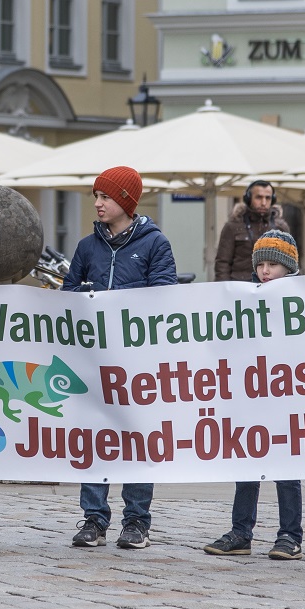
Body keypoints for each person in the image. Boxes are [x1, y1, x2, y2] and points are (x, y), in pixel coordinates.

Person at [62, 166, 177, 550]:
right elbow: (67, 295)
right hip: (94, 360)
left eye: (105, 197)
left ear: (125, 202)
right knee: (96, 436)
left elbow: (164, 298)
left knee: (137, 438)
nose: (97, 203)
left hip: (138, 363)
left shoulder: (155, 243)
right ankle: (94, 518)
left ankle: (136, 521)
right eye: (96, 196)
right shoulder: (86, 247)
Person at [204, 229, 305, 561]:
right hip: (252, 394)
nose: (266, 270)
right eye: (261, 263)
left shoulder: (302, 299)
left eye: (274, 265)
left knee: (287, 468)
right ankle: (241, 531)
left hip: (287, 395)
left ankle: (290, 535)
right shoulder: (245, 298)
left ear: (288, 267)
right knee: (246, 464)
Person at [213, 181, 291, 282]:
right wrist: (225, 289)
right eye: (259, 197)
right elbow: (222, 263)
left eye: (268, 198)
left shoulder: (281, 227)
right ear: (248, 199)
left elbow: (290, 261)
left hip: (273, 286)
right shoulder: (232, 226)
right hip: (240, 287)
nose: (263, 203)